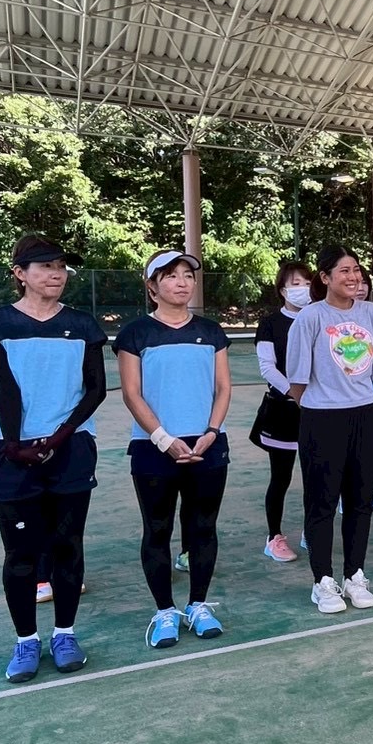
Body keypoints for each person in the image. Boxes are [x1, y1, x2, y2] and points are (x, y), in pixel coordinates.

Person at [0, 235, 106, 682]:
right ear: (20, 273)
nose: (56, 274)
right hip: (11, 453)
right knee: (21, 553)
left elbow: (95, 389)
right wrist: (15, 444)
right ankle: (26, 641)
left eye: (61, 267)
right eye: (45, 266)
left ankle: (64, 634)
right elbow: (5, 386)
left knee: (68, 546)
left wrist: (59, 437)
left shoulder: (83, 324)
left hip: (71, 450)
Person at [115, 250, 231, 647]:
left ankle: (198, 605)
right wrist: (164, 440)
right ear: (152, 286)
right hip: (153, 450)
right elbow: (132, 394)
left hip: (208, 447)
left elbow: (223, 387)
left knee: (203, 528)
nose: (182, 282)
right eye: (170, 276)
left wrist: (211, 432)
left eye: (187, 275)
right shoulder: (135, 333)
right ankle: (165, 610)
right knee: (158, 529)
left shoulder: (211, 331)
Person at [286, 244, 373, 614]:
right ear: (325, 277)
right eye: (344, 271)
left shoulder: (372, 313)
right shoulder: (310, 317)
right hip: (322, 419)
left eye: (356, 269)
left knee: (360, 502)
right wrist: (321, 406)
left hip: (366, 415)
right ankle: (323, 581)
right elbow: (297, 379)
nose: (354, 277)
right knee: (322, 502)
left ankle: (355, 574)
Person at [250, 259, 314, 563]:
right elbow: (267, 367)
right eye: (295, 284)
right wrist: (294, 392)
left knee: (316, 477)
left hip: (317, 411)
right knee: (281, 477)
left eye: (307, 283)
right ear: (282, 290)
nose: (302, 289)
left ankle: (312, 531)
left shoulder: (318, 318)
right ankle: (273, 537)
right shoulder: (270, 323)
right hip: (283, 411)